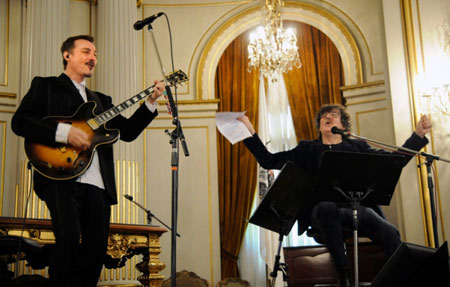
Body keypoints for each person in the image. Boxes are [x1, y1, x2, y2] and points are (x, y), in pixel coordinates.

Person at [11, 35, 165, 287]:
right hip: (57, 175)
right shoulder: (46, 86)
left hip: (98, 183)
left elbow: (126, 133)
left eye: (95, 53)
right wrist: (64, 132)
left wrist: (150, 102)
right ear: (67, 55)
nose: (92, 57)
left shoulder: (102, 100)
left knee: (95, 250)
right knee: (69, 236)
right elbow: (21, 122)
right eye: (86, 52)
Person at [238, 104, 432, 287]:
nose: (328, 117)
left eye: (334, 115)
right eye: (324, 115)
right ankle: (344, 273)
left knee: (390, 232)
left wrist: (417, 136)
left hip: (356, 209)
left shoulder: (358, 148)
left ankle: (399, 281)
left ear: (344, 127)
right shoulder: (307, 149)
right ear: (320, 126)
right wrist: (249, 132)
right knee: (326, 207)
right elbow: (268, 160)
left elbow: (394, 162)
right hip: (322, 215)